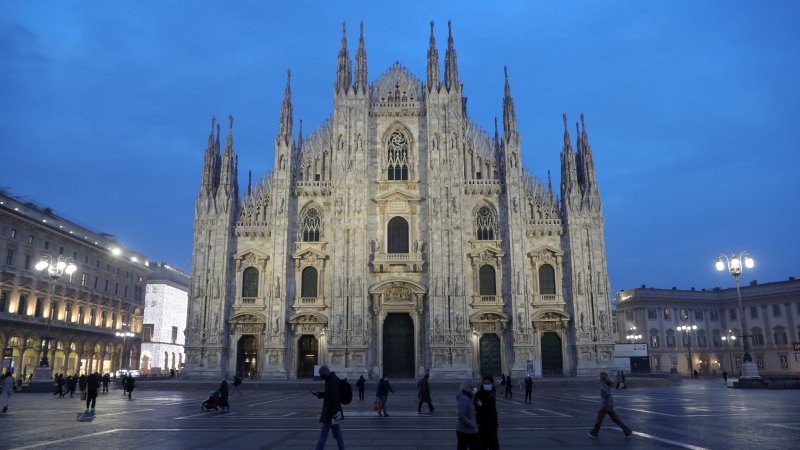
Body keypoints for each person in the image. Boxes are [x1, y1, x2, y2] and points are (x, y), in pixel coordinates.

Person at [588, 372, 632, 439]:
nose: (598, 378)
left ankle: (594, 433)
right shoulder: (605, 385)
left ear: (602, 379)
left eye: (599, 377)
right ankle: (627, 431)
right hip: (608, 406)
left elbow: (608, 396)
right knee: (615, 420)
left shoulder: (604, 386)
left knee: (599, 420)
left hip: (606, 406)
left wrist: (607, 406)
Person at [313, 365, 345, 450]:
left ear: (325, 373)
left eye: (321, 374)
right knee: (337, 435)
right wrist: (320, 394)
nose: (321, 377)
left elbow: (334, 397)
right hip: (332, 412)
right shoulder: (331, 379)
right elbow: (329, 395)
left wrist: (334, 413)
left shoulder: (332, 381)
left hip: (330, 413)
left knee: (323, 434)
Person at [475, 375, 499, 450]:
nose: (486, 385)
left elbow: (493, 409)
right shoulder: (478, 394)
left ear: (492, 384)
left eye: (488, 383)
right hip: (483, 425)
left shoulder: (492, 394)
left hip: (492, 425)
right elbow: (478, 408)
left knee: (494, 446)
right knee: (482, 446)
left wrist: (496, 420)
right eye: (485, 383)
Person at [456, 379, 479, 450]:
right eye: (470, 387)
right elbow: (461, 416)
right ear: (466, 388)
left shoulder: (468, 398)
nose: (472, 389)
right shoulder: (464, 398)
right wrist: (472, 424)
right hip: (465, 431)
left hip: (468, 430)